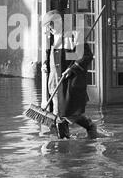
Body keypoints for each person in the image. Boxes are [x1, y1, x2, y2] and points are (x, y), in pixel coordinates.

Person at [41, 10, 99, 139]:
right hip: (54, 82)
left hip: (68, 81)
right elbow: (50, 56)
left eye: (51, 25)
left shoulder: (74, 36)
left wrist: (72, 68)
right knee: (60, 113)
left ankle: (86, 128)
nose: (49, 29)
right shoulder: (51, 39)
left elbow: (87, 56)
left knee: (66, 113)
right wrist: (45, 64)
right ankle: (65, 140)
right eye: (47, 26)